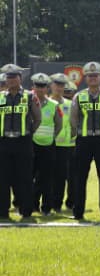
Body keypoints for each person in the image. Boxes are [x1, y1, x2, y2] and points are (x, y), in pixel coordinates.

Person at [68, 61, 100, 222]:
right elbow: (73, 118)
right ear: (85, 78)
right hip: (83, 141)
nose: (92, 78)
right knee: (80, 177)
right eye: (89, 76)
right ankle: (78, 212)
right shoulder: (79, 96)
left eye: (95, 75)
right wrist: (78, 131)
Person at [0, 64, 39, 221]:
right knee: (3, 177)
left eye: (14, 77)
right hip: (3, 142)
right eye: (8, 78)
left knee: (25, 177)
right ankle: (2, 211)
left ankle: (26, 210)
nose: (11, 80)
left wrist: (28, 133)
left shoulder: (30, 96)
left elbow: (37, 118)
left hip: (23, 141)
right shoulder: (1, 97)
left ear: (20, 79)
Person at [29, 73, 62, 217]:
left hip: (48, 146)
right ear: (33, 87)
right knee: (29, 177)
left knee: (47, 178)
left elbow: (59, 125)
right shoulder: (27, 102)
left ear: (47, 88)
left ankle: (46, 208)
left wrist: (52, 137)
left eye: (43, 86)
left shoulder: (54, 105)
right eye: (37, 86)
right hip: (31, 145)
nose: (40, 89)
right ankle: (31, 205)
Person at [49, 73, 76, 214]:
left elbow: (74, 124)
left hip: (67, 146)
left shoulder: (70, 104)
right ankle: (45, 203)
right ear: (51, 86)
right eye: (56, 85)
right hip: (48, 144)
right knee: (47, 176)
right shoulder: (45, 103)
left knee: (63, 177)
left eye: (61, 85)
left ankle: (58, 204)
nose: (59, 88)